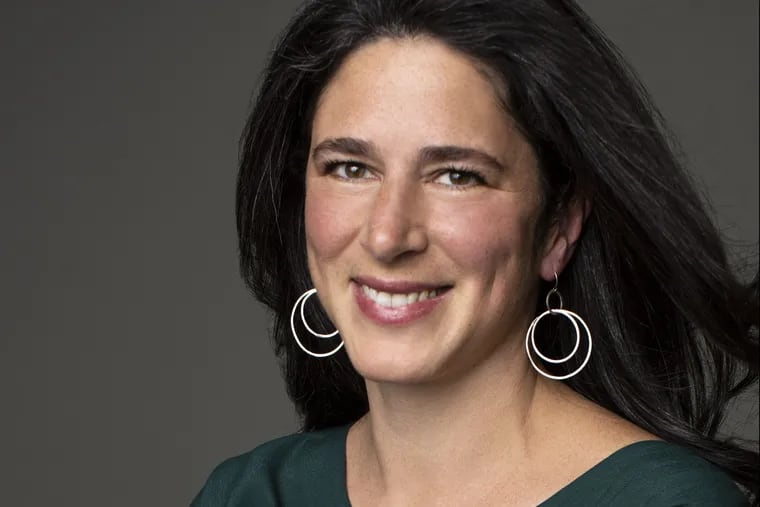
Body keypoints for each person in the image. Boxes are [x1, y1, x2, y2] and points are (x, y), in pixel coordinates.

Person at [192, 0, 758, 505]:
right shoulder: (248, 494)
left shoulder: (666, 502)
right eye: (350, 168)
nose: (387, 236)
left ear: (558, 225)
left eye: (457, 176)